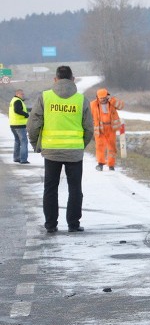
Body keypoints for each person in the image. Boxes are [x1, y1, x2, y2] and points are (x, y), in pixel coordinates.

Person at [27, 65, 94, 233]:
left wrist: (36, 144)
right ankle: (73, 224)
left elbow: (33, 124)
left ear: (55, 79)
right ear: (73, 79)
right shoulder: (81, 99)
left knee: (50, 188)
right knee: (75, 188)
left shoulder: (45, 97)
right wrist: (80, 145)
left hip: (51, 151)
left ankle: (50, 225)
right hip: (74, 152)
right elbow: (89, 128)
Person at [91, 87, 124, 171]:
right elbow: (88, 115)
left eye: (104, 98)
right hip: (99, 129)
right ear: (97, 97)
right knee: (99, 146)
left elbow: (121, 106)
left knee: (112, 147)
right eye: (100, 98)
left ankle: (111, 165)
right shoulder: (93, 104)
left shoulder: (112, 102)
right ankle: (100, 164)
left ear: (107, 96)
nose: (102, 99)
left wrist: (112, 100)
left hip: (111, 128)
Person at [9, 89, 30, 164]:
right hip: (20, 125)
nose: (23, 95)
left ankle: (16, 158)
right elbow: (17, 110)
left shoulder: (13, 100)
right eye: (22, 94)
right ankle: (23, 159)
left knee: (17, 141)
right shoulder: (18, 101)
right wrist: (26, 114)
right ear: (18, 94)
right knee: (24, 142)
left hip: (13, 124)